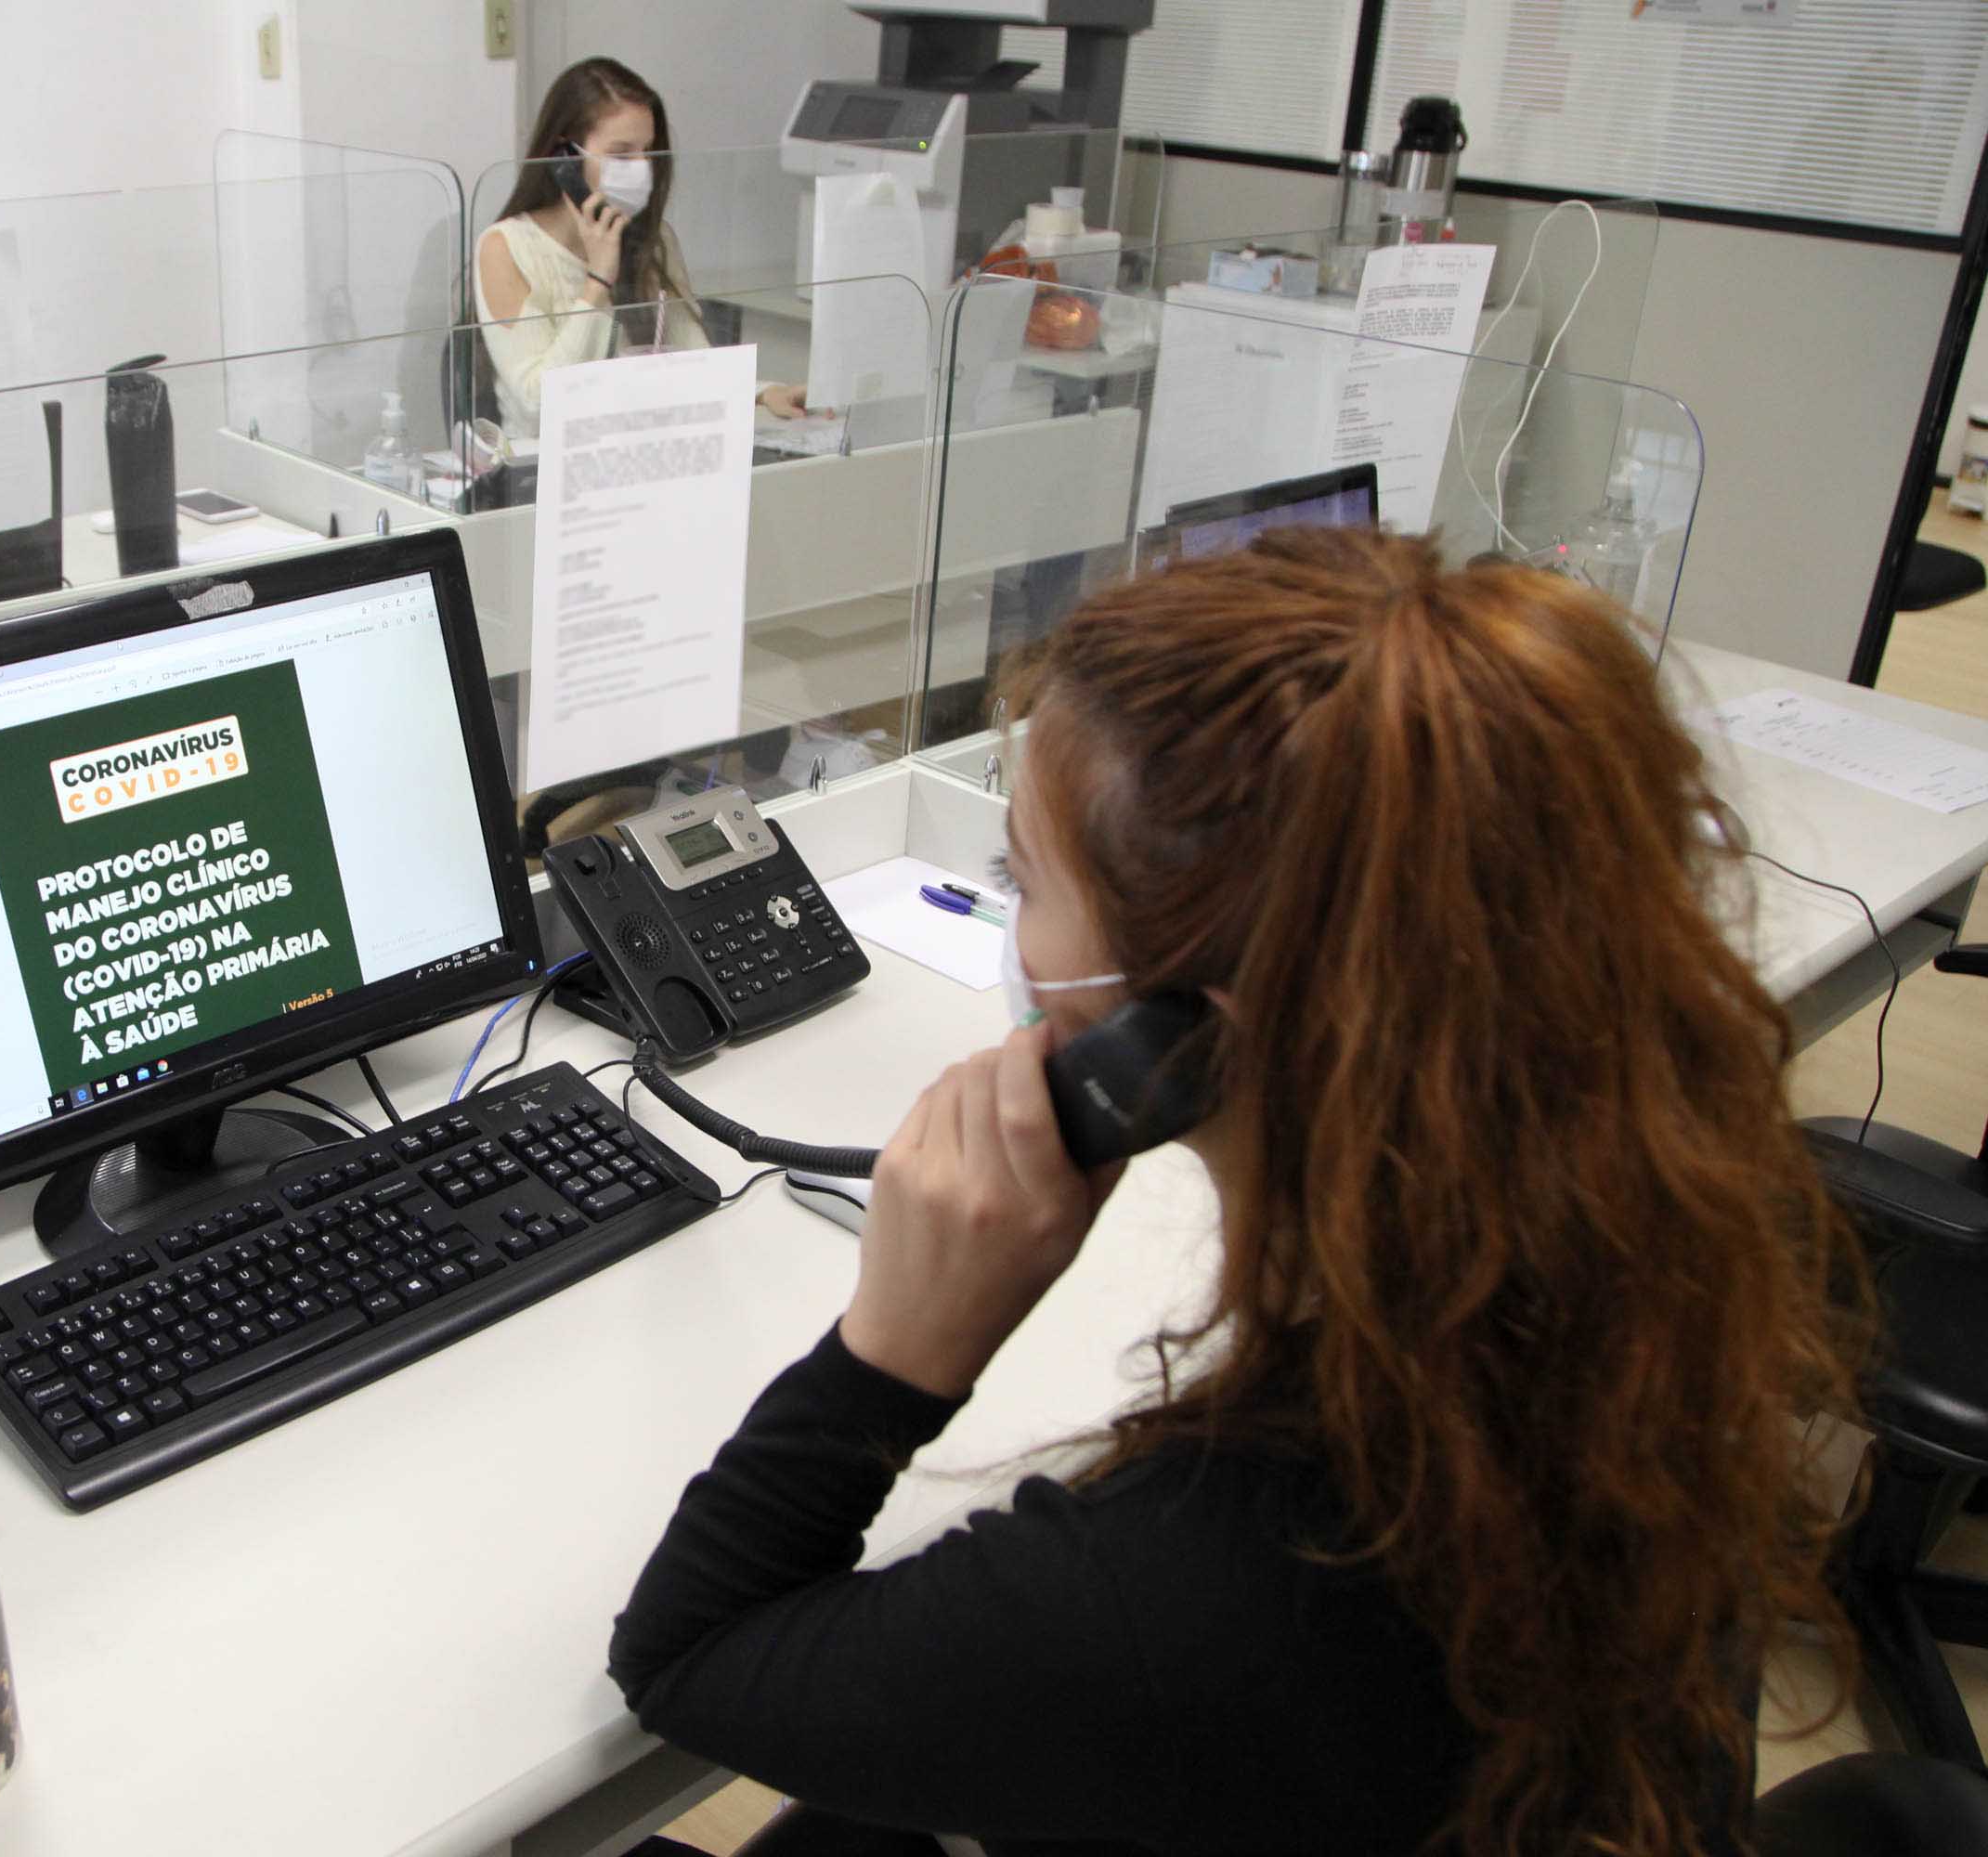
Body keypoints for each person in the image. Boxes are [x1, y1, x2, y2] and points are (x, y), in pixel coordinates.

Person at [609, 528, 1870, 1857]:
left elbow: (689, 1655)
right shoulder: (1639, 1285)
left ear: (1192, 1024)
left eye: (1023, 881)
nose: (1013, 928)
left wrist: (899, 1346)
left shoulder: (1197, 1579)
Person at [475, 58, 806, 440]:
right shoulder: (506, 247)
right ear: (564, 158)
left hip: (641, 453)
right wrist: (598, 282)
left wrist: (763, 394)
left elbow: (693, 364)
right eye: (621, 154)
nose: (642, 168)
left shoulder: (653, 239)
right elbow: (539, 407)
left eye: (648, 151)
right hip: (544, 463)